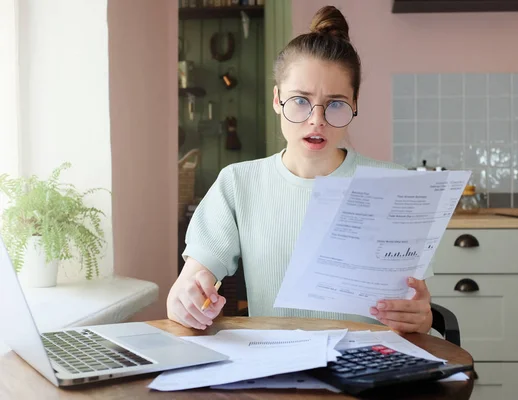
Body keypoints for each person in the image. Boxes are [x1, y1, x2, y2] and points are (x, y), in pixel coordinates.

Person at [167, 5, 433, 335]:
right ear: (277, 99)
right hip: (276, 365)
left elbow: (417, 308)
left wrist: (421, 317)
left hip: (370, 367)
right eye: (300, 100)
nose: (316, 119)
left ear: (355, 103)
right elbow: (192, 279)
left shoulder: (393, 185)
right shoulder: (238, 183)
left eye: (335, 103)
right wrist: (187, 297)